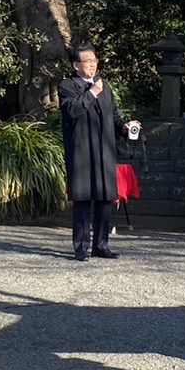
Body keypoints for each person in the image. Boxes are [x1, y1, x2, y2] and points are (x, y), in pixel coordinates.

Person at [59, 44, 140, 260]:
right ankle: (81, 248)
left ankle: (101, 245)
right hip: (82, 152)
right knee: (83, 200)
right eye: (88, 61)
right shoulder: (67, 86)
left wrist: (125, 127)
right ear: (76, 65)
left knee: (105, 199)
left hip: (105, 151)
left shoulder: (105, 87)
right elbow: (72, 110)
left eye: (95, 61)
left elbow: (113, 117)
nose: (93, 65)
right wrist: (93, 92)